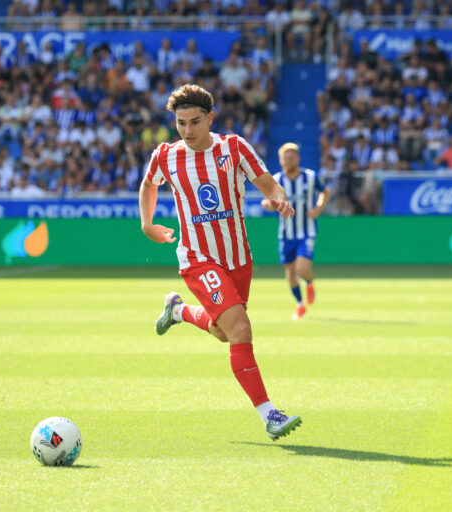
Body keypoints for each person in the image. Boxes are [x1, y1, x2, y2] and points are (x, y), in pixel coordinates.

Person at [139, 84, 302, 441]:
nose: (187, 130)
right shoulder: (166, 155)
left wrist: (279, 199)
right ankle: (269, 415)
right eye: (180, 123)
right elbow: (149, 185)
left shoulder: (233, 147)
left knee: (223, 332)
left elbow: (268, 184)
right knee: (241, 330)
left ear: (211, 118)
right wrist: (147, 223)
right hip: (198, 258)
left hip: (238, 259)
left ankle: (178, 310)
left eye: (195, 122)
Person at [263, 143, 330, 320]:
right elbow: (267, 202)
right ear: (280, 160)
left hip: (306, 231)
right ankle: (300, 304)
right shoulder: (276, 180)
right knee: (290, 272)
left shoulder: (310, 177)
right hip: (286, 233)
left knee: (301, 268)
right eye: (285, 157)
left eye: (291, 157)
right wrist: (270, 205)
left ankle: (309, 281)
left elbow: (326, 192)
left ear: (298, 159)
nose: (288, 160)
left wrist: (318, 209)